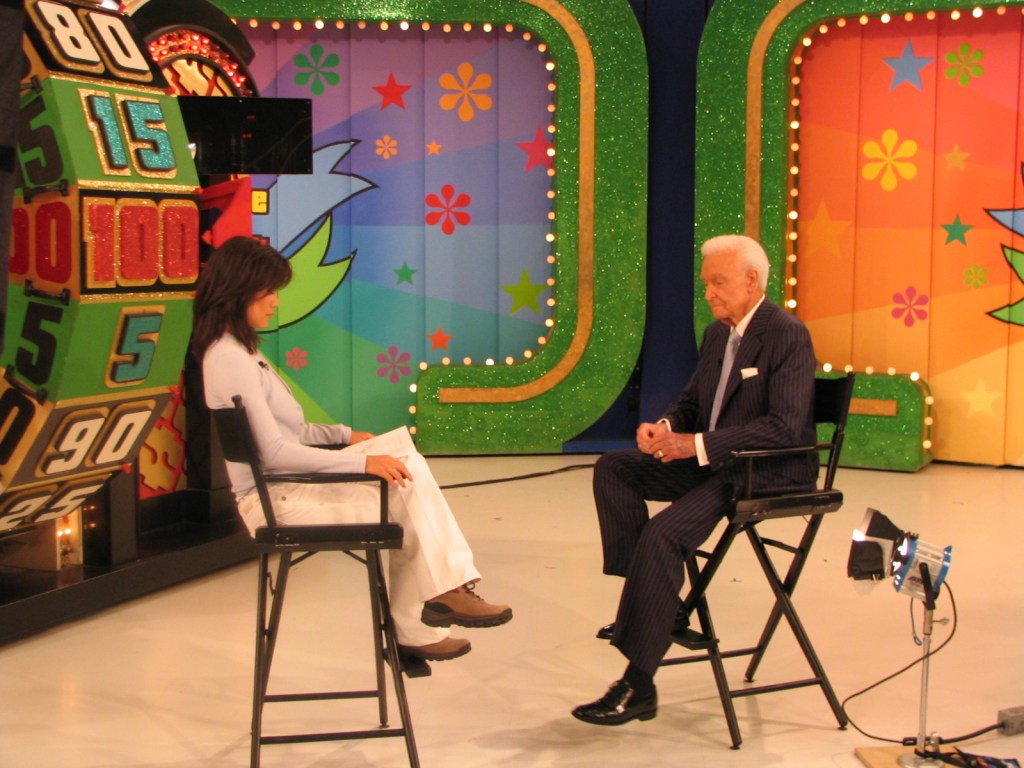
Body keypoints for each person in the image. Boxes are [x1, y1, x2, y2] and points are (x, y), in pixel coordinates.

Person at [192, 236, 512, 663]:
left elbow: (295, 430)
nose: (274, 303)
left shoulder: (241, 352)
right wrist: (363, 462)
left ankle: (438, 599)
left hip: (286, 485)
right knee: (403, 486)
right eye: (267, 292)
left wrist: (346, 436)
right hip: (276, 499)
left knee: (402, 461)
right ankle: (436, 602)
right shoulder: (229, 358)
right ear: (239, 289)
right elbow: (272, 453)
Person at [572, 234, 818, 726]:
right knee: (614, 468)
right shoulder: (716, 334)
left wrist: (697, 445)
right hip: (718, 461)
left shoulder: (787, 333)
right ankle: (656, 607)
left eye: (718, 283)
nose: (708, 293)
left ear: (752, 281)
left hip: (761, 470)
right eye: (706, 284)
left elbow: (786, 426)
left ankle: (637, 686)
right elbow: (692, 403)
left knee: (664, 534)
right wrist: (664, 428)